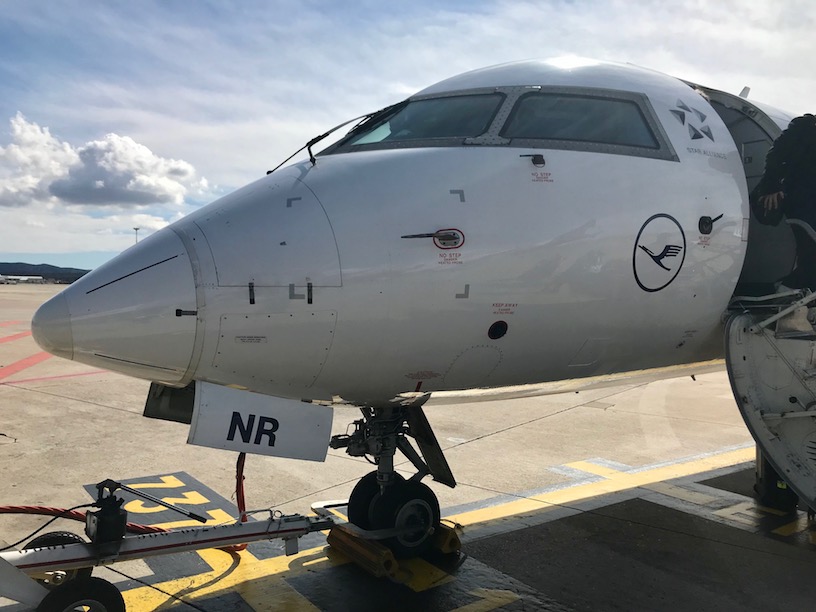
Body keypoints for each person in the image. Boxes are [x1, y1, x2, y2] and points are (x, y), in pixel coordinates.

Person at [757, 113, 816, 290]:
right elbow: (776, 153)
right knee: (810, 258)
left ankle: (792, 294)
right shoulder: (805, 126)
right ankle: (781, 294)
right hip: (802, 204)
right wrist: (771, 186)